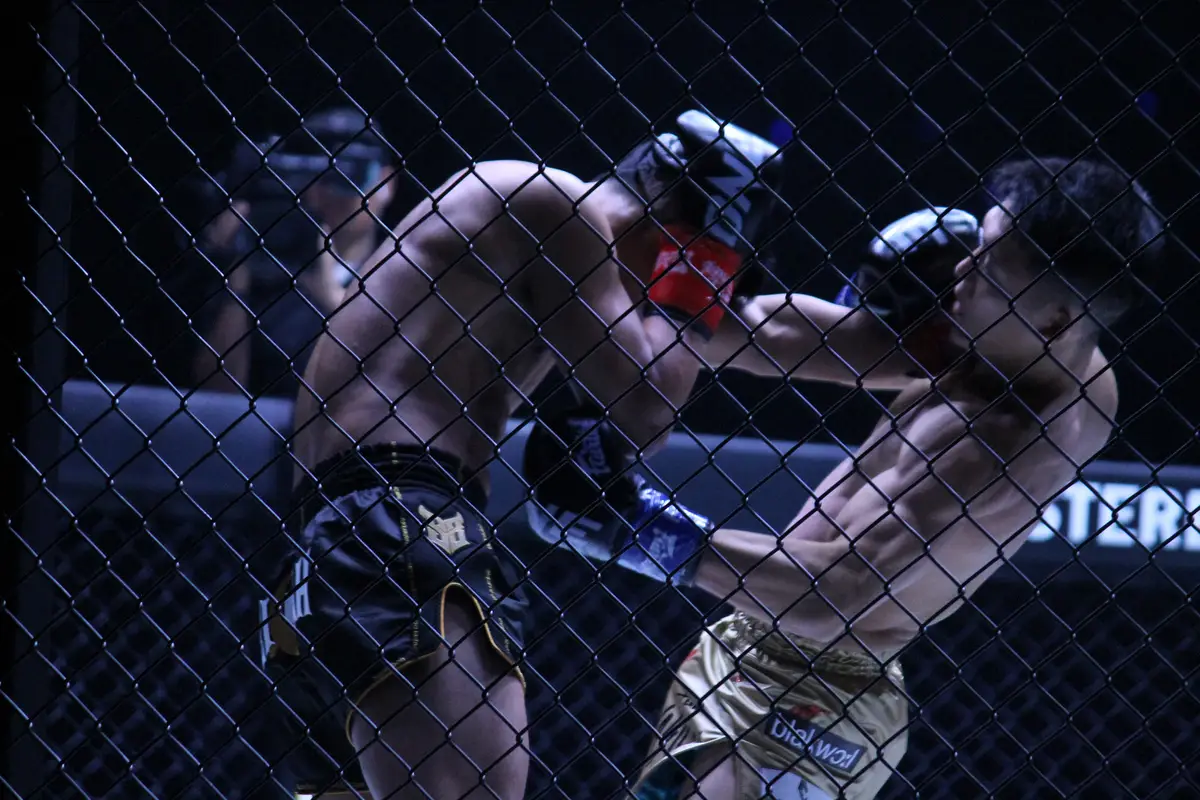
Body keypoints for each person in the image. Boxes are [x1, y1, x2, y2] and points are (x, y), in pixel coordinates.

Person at [522, 156, 1163, 799]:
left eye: (989, 264)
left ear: (1053, 319)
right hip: (748, 636)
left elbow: (837, 595)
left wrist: (632, 527)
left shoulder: (1007, 444)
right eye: (979, 242)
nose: (963, 267)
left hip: (822, 694)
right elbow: (788, 338)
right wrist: (682, 270)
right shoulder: (1013, 337)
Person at [258, 110, 786, 799]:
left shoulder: (524, 268)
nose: (652, 302)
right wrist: (704, 261)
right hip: (404, 521)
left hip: (330, 547)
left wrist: (910, 347)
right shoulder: (548, 201)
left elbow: (768, 333)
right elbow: (648, 405)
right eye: (673, 262)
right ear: (655, 213)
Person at [193, 107, 397, 397]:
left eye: (349, 176)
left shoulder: (401, 273)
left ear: (387, 183)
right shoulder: (264, 270)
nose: (329, 192)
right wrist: (235, 279)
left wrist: (333, 300)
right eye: (314, 176)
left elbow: (396, 380)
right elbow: (217, 397)